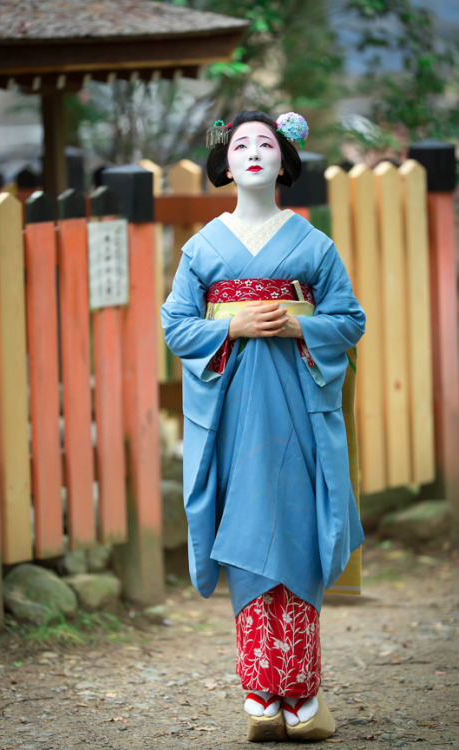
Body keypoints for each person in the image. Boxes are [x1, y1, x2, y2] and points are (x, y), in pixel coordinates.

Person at [161, 110, 365, 742]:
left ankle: (302, 694)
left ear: (284, 162)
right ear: (225, 164)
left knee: (298, 531)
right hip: (233, 413)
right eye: (241, 143)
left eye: (266, 143)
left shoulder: (312, 243)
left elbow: (350, 319)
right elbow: (175, 325)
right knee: (246, 532)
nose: (253, 151)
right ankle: (260, 693)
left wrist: (301, 324)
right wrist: (232, 325)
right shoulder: (202, 246)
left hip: (298, 408)